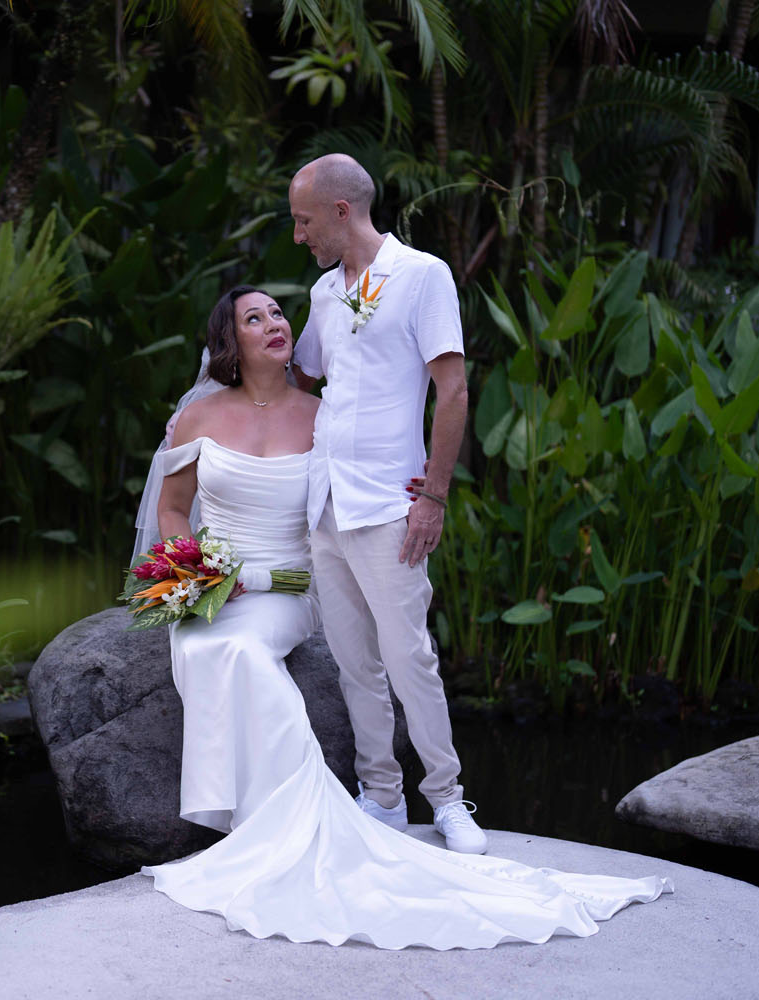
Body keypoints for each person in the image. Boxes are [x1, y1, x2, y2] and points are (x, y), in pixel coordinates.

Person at [136, 284, 671, 950]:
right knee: (211, 646)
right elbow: (172, 508)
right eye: (255, 318)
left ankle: (298, 827)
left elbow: (369, 475)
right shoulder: (197, 419)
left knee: (244, 653)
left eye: (278, 312)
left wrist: (423, 493)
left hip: (292, 586)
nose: (275, 323)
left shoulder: (321, 415)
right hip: (214, 587)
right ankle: (259, 824)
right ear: (229, 342)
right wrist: (195, 570)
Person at [288, 153, 484, 853]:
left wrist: (434, 494)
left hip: (390, 506)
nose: (298, 234)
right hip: (326, 504)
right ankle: (382, 796)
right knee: (352, 662)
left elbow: (452, 390)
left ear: (342, 211)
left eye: (304, 220)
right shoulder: (321, 294)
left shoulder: (422, 276)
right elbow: (306, 379)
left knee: (409, 658)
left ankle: (449, 800)